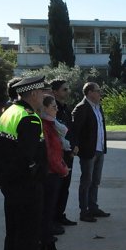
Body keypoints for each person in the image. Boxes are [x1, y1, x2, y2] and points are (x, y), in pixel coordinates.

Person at [0, 75, 55, 250]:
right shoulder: (29, 118)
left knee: (14, 234)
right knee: (28, 235)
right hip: (26, 186)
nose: (46, 96)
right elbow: (28, 158)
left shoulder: (8, 112)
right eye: (43, 93)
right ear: (34, 94)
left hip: (10, 183)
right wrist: (36, 177)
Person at [71, 82, 109, 223]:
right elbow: (75, 130)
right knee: (86, 181)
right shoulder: (81, 108)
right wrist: (76, 146)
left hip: (99, 150)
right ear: (89, 92)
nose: (100, 93)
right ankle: (84, 211)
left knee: (95, 181)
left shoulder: (98, 107)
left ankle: (93, 207)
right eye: (98, 91)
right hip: (88, 151)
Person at [39, 95, 69, 250]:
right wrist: (63, 169)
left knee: (47, 214)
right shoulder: (46, 125)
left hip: (53, 172)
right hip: (50, 174)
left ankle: (46, 248)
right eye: (53, 107)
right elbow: (50, 154)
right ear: (45, 108)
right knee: (46, 214)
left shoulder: (52, 125)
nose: (56, 109)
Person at [49, 78, 76, 227]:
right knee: (57, 188)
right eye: (64, 89)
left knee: (65, 187)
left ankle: (60, 215)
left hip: (68, 153)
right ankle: (52, 219)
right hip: (59, 154)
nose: (67, 92)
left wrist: (75, 146)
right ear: (55, 92)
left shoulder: (65, 108)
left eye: (68, 89)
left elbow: (70, 129)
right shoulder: (52, 108)